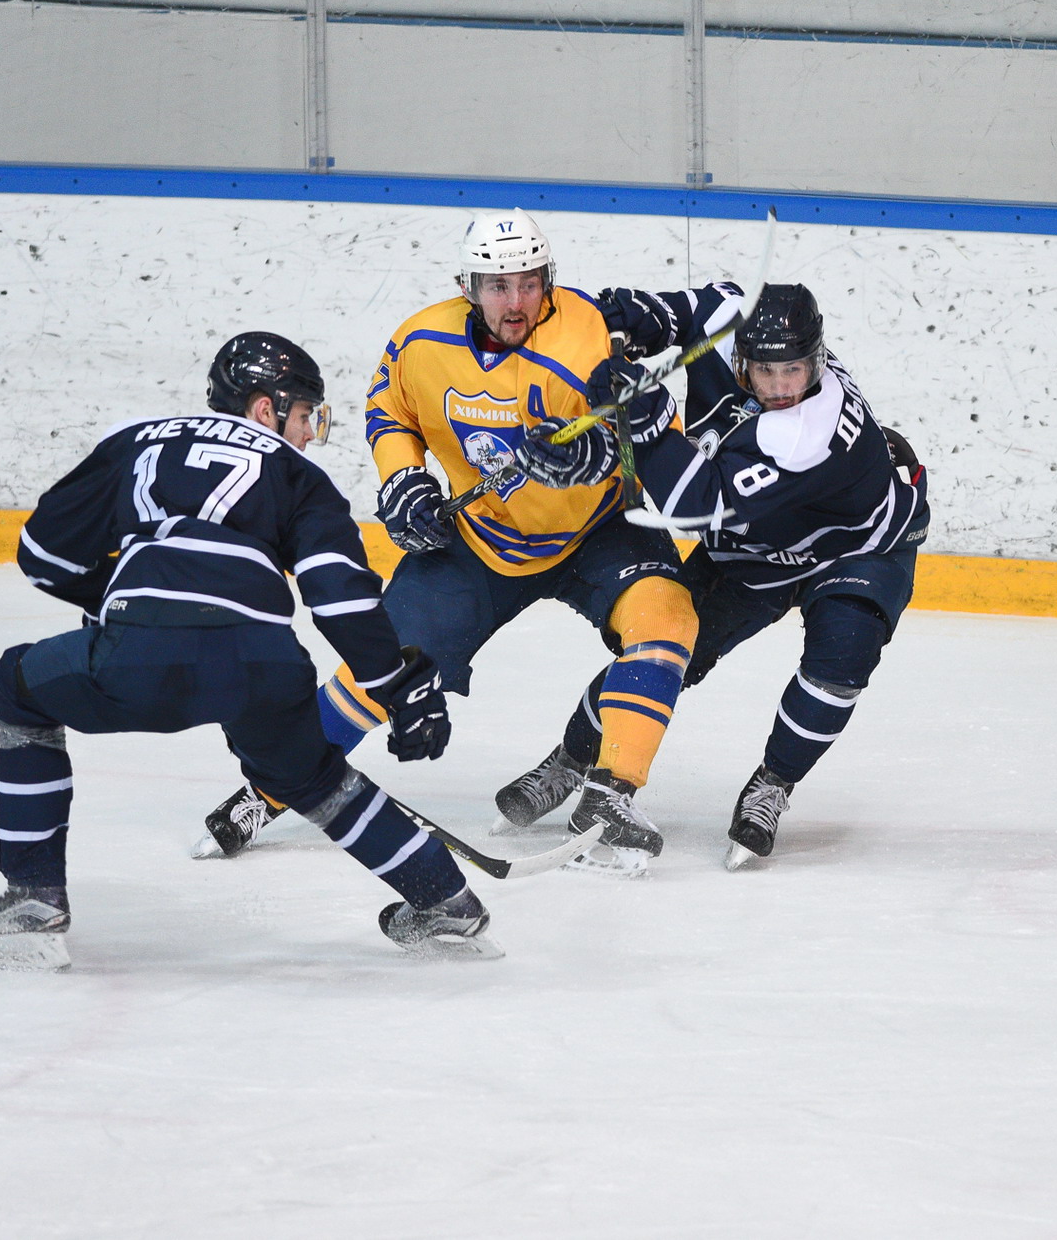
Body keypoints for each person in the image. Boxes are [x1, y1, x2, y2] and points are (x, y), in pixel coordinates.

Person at [0, 333, 495, 971]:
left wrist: (118, 597)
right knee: (310, 775)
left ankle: (32, 902)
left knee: (17, 687)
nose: (309, 434)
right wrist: (396, 684)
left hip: (139, 651)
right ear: (265, 409)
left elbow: (42, 554)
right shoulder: (300, 476)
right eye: (304, 417)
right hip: (263, 661)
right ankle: (444, 900)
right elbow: (339, 598)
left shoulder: (135, 439)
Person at [195, 210, 698, 873]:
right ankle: (268, 789)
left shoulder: (592, 335)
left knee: (669, 620)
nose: (515, 302)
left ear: (547, 280)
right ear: (470, 286)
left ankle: (613, 796)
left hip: (598, 530)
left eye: (527, 283)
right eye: (497, 286)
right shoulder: (423, 344)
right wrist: (404, 480)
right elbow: (388, 411)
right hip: (481, 541)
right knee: (383, 670)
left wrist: (604, 454)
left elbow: (651, 437)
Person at [504, 282, 930, 868]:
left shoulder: (812, 432)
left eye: (797, 371)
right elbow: (699, 307)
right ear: (739, 359)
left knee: (845, 653)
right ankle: (572, 758)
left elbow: (691, 502)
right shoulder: (732, 323)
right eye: (767, 372)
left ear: (818, 358)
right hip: (750, 549)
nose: (782, 388)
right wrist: (636, 319)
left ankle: (773, 785)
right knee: (666, 650)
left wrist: (644, 421)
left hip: (854, 548)